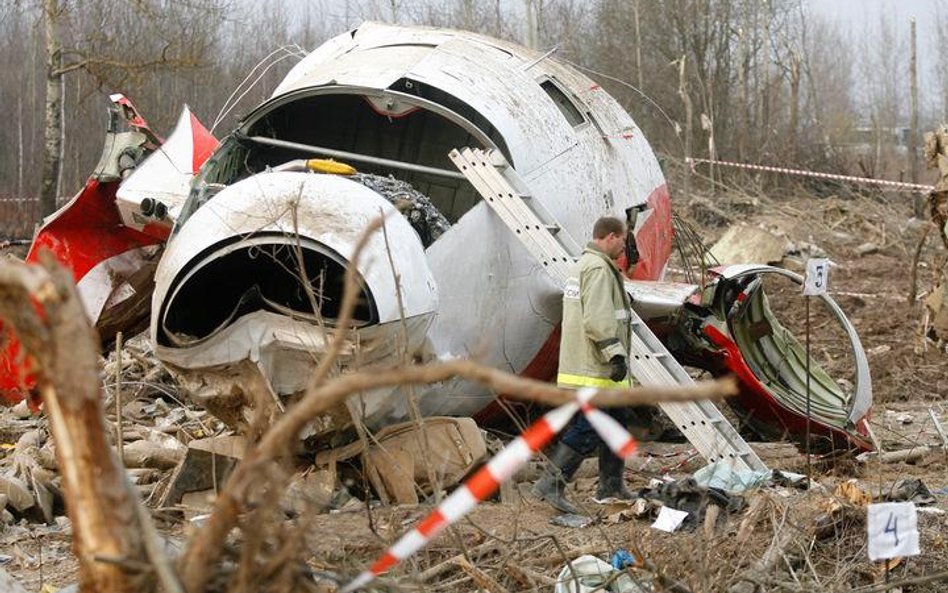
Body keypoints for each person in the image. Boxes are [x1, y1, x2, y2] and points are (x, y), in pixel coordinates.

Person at [533, 216, 636, 513]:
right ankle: (550, 483)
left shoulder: (583, 266)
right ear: (612, 236)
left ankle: (611, 486)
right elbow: (598, 318)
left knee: (616, 423)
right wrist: (614, 354)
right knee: (590, 425)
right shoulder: (598, 269)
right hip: (596, 368)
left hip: (592, 367)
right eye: (623, 240)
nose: (624, 247)